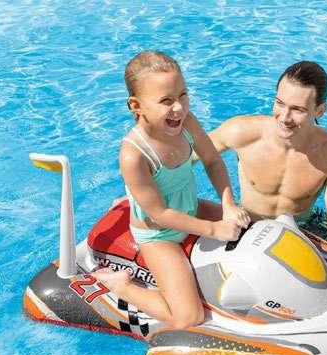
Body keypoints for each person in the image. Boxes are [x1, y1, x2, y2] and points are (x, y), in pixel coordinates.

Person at [93, 51, 250, 330]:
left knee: (257, 224)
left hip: (191, 207)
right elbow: (160, 214)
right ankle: (123, 286)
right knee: (188, 317)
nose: (179, 107)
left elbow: (213, 160)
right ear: (136, 106)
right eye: (166, 100)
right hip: (160, 234)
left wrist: (229, 204)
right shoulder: (134, 155)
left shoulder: (187, 124)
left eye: (183, 95)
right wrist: (214, 229)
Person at [205, 61, 327, 251]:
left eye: (298, 109)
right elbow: (185, 156)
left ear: (320, 110)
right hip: (248, 223)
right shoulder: (241, 132)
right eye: (280, 103)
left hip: (303, 229)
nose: (284, 117)